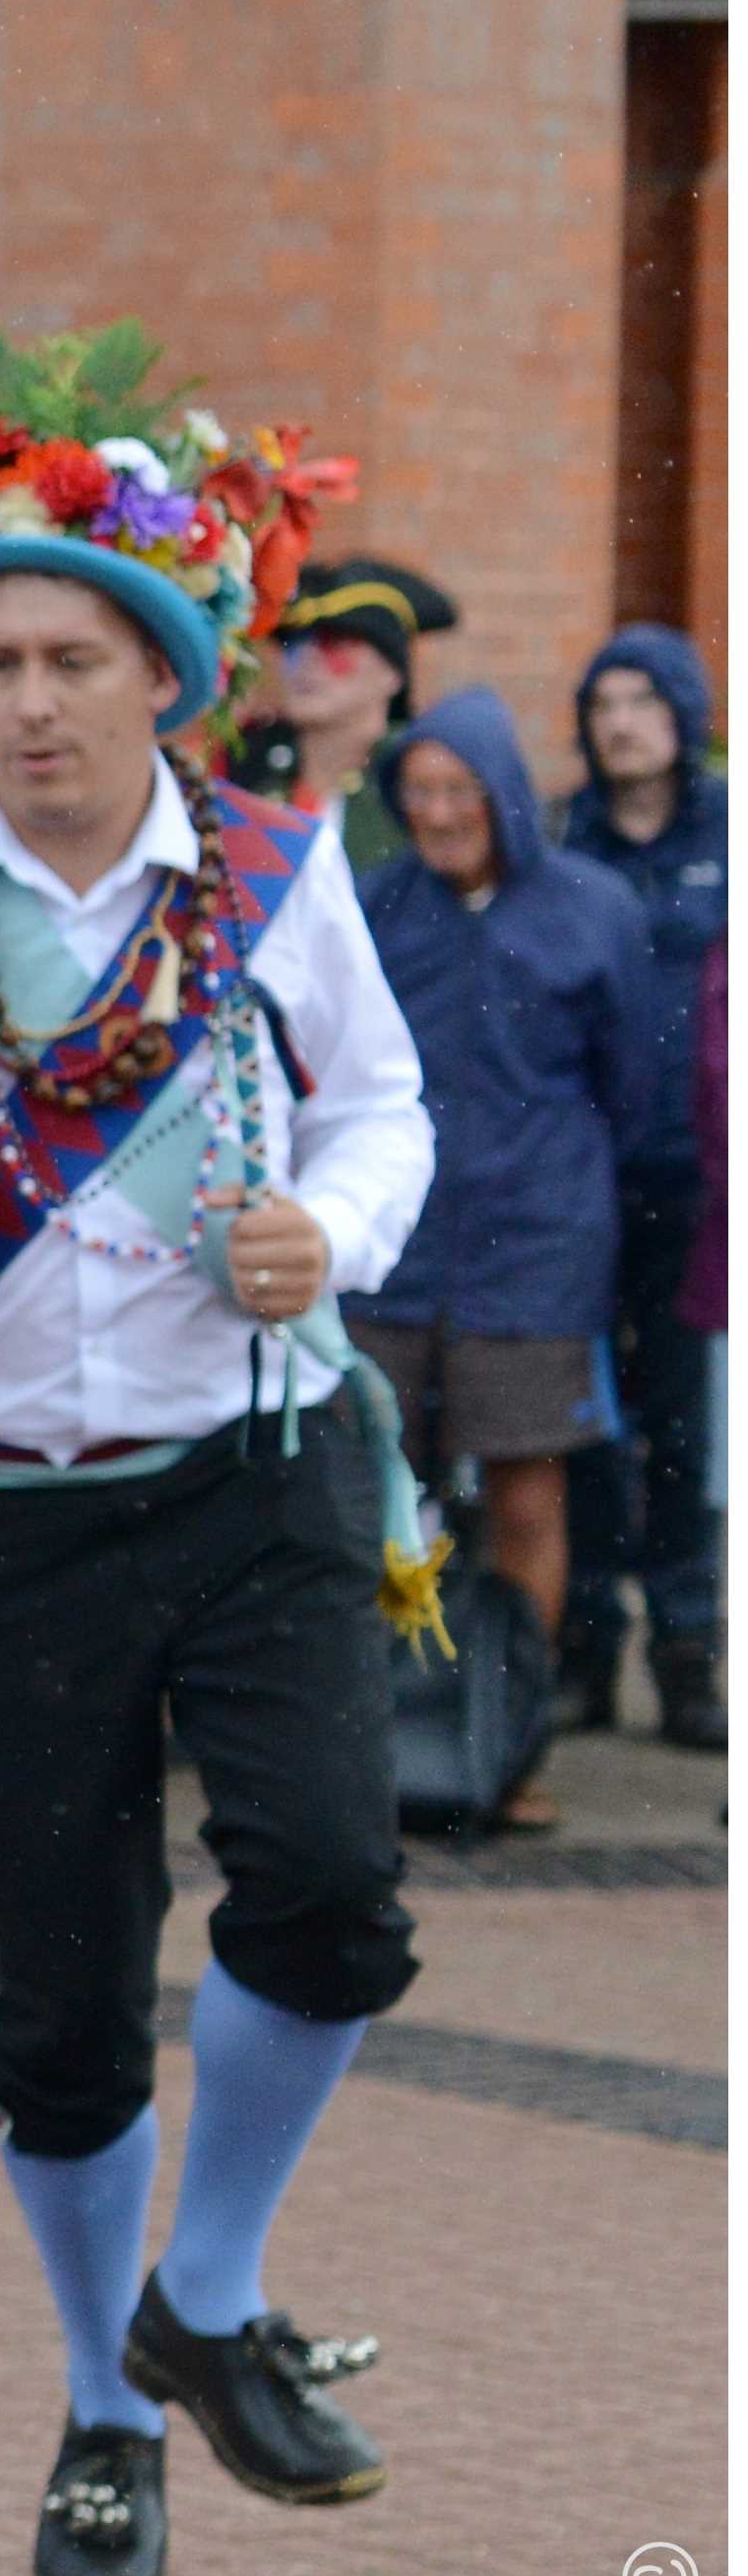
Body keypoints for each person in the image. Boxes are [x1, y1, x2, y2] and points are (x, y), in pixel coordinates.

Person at [0, 338, 437, 2576]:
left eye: (74, 660)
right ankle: (103, 2404)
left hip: (247, 1456)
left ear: (165, 677)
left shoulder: (269, 874)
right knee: (64, 1999)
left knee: (330, 1888)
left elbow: (382, 1109)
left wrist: (323, 1232)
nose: (30, 701)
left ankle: (207, 2291)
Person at [354, 686, 663, 1807]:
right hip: (390, 1259)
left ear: (505, 793)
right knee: (368, 1498)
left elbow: (632, 1087)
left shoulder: (591, 910)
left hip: (533, 1255)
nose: (438, 814)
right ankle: (372, 1747)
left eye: (460, 791)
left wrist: (561, 1194)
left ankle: (506, 1746)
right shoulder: (373, 907)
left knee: (527, 1501)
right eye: (418, 791)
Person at [555, 626, 726, 1746]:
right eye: (601, 704)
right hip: (580, 1179)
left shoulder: (726, 837)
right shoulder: (560, 840)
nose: (619, 724)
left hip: (694, 1183)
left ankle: (685, 1651)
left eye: (640, 702)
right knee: (578, 1418)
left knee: (678, 1426)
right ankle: (580, 1647)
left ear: (682, 717)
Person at [238, 555, 441, 869]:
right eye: (293, 642)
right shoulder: (239, 764)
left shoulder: (418, 777)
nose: (305, 660)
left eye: (335, 644)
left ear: (392, 673)